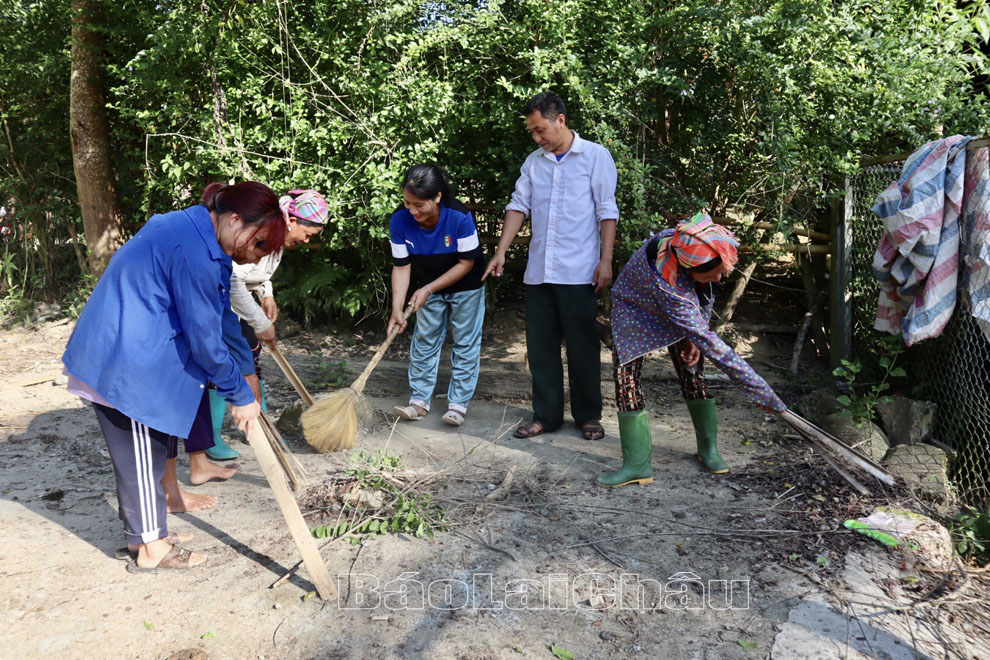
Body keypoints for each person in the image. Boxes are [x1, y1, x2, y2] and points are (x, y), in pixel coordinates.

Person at [62, 181, 286, 571]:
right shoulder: (194, 251)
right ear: (235, 219)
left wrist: (237, 382)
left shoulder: (191, 228)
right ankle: (151, 550)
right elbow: (205, 339)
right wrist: (240, 393)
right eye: (259, 242)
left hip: (136, 351)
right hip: (123, 363)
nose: (254, 256)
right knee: (141, 456)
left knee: (151, 447)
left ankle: (150, 533)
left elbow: (212, 321)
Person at [597, 212, 787, 488]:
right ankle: (636, 465)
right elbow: (714, 345)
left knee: (692, 370)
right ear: (690, 270)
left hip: (682, 311)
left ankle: (708, 449)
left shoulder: (697, 249)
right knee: (626, 378)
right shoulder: (672, 286)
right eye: (716, 272)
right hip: (635, 311)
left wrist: (694, 336)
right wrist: (757, 388)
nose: (722, 275)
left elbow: (705, 295)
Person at [482, 91, 618, 440]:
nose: (537, 137)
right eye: (532, 132)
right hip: (539, 271)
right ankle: (547, 416)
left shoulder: (595, 157)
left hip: (580, 270)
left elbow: (607, 211)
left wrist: (605, 261)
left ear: (561, 120)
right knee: (541, 348)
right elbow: (518, 206)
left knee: (582, 346)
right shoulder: (534, 162)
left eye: (540, 129)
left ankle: (588, 416)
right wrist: (501, 252)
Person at [204, 189, 329, 461]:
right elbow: (234, 278)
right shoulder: (262, 231)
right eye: (308, 233)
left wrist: (267, 294)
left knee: (253, 365)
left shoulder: (278, 241)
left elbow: (259, 271)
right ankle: (211, 438)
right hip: (224, 306)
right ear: (292, 221)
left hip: (244, 308)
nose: (307, 240)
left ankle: (257, 429)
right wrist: (259, 321)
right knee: (222, 369)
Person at [388, 164, 486, 427]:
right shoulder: (399, 219)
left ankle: (458, 405)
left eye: (419, 204)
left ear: (438, 197)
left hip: (466, 286)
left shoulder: (459, 215)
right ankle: (419, 401)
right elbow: (401, 266)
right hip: (427, 285)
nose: (412, 211)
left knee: (465, 344)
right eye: (408, 203)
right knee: (425, 340)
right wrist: (397, 308)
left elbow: (466, 263)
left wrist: (429, 289)